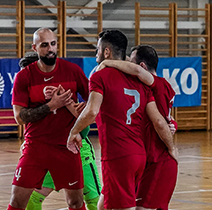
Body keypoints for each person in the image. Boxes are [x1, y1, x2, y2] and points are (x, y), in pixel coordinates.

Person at [67, 30, 178, 210]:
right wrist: (171, 131)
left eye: (98, 50)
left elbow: (92, 111)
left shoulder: (100, 76)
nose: (96, 54)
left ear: (107, 52)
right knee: (105, 204)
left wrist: (74, 131)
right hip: (140, 155)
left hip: (119, 155)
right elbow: (159, 118)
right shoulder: (141, 82)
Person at [8, 27, 89, 210]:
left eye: (53, 44)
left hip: (66, 147)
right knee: (17, 201)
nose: (50, 49)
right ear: (35, 48)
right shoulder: (24, 77)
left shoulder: (72, 71)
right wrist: (51, 105)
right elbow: (19, 117)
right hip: (35, 147)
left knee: (75, 202)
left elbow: (94, 100)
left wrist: (82, 113)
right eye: (44, 45)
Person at [96, 45, 178, 210]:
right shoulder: (144, 88)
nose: (127, 67)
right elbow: (168, 118)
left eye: (130, 64)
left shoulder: (157, 84)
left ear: (141, 67)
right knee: (103, 205)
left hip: (158, 160)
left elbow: (161, 122)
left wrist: (172, 147)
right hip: (139, 158)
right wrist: (173, 124)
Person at [18, 52, 102, 210]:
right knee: (32, 198)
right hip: (48, 153)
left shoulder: (63, 92)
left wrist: (66, 105)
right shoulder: (28, 98)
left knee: (93, 202)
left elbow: (84, 130)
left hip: (78, 152)